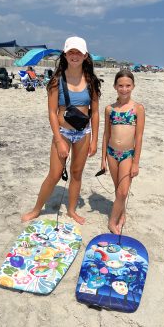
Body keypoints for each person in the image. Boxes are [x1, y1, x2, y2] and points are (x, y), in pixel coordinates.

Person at [21, 36, 101, 224]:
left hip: (83, 133)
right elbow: (51, 112)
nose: (74, 55)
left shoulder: (91, 81)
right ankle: (36, 209)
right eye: (71, 52)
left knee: (76, 173)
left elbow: (95, 113)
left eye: (78, 52)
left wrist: (95, 140)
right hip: (62, 133)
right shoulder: (57, 80)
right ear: (65, 54)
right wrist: (58, 140)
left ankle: (72, 210)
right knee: (55, 174)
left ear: (85, 55)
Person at [101, 69, 145, 234]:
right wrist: (103, 159)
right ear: (115, 87)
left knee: (123, 191)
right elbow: (106, 134)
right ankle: (122, 214)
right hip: (112, 154)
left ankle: (112, 222)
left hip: (127, 155)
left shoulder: (137, 109)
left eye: (128, 85)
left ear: (133, 86)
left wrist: (136, 163)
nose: (124, 89)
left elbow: (139, 137)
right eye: (121, 85)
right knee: (117, 188)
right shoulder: (109, 109)